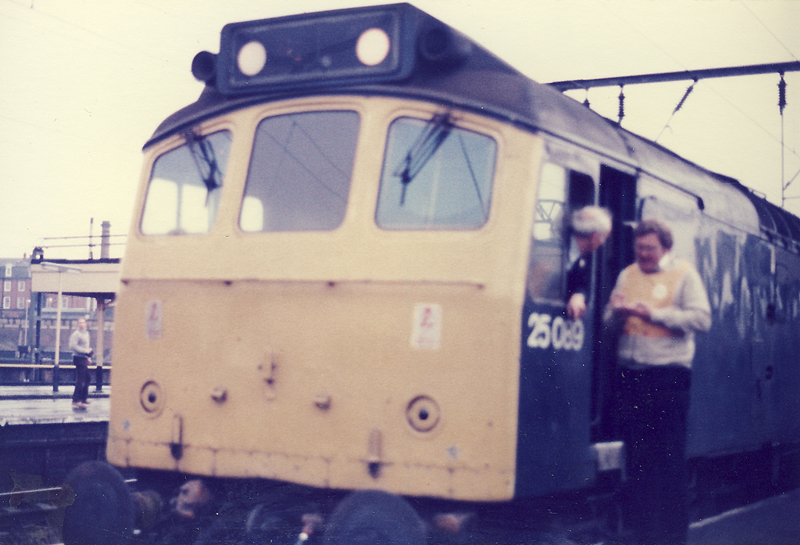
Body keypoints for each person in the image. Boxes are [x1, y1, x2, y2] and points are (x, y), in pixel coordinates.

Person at [604, 219, 711, 545]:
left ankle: (672, 537)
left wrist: (654, 314)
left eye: (649, 248)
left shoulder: (684, 275)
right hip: (632, 375)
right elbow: (608, 321)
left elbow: (702, 318)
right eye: (639, 248)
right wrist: (617, 314)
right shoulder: (627, 275)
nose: (643, 254)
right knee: (638, 459)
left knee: (668, 459)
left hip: (667, 378)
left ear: (666, 248)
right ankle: (644, 535)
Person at [565, 205, 612, 320]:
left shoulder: (589, 260)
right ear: (595, 237)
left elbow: (584, 283)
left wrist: (579, 295)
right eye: (604, 237)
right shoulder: (560, 248)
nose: (602, 243)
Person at [69, 317, 93, 410]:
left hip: (84, 358)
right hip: (78, 358)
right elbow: (72, 346)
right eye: (80, 323)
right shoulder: (76, 334)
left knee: (87, 378)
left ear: (86, 324)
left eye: (83, 323)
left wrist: (88, 356)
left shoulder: (86, 333)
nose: (81, 324)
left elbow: (86, 346)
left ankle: (83, 398)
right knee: (81, 379)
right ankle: (76, 400)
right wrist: (84, 351)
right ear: (77, 324)